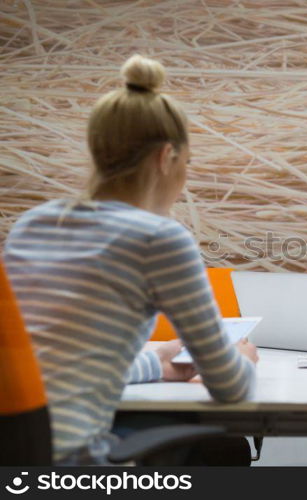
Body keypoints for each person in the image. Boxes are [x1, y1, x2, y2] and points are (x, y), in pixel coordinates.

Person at [3, 55, 258, 465]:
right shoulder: (159, 238)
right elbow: (231, 388)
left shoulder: (32, 225)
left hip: (17, 456)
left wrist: (158, 362)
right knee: (224, 450)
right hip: (74, 463)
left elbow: (58, 363)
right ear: (165, 157)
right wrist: (242, 361)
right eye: (186, 164)